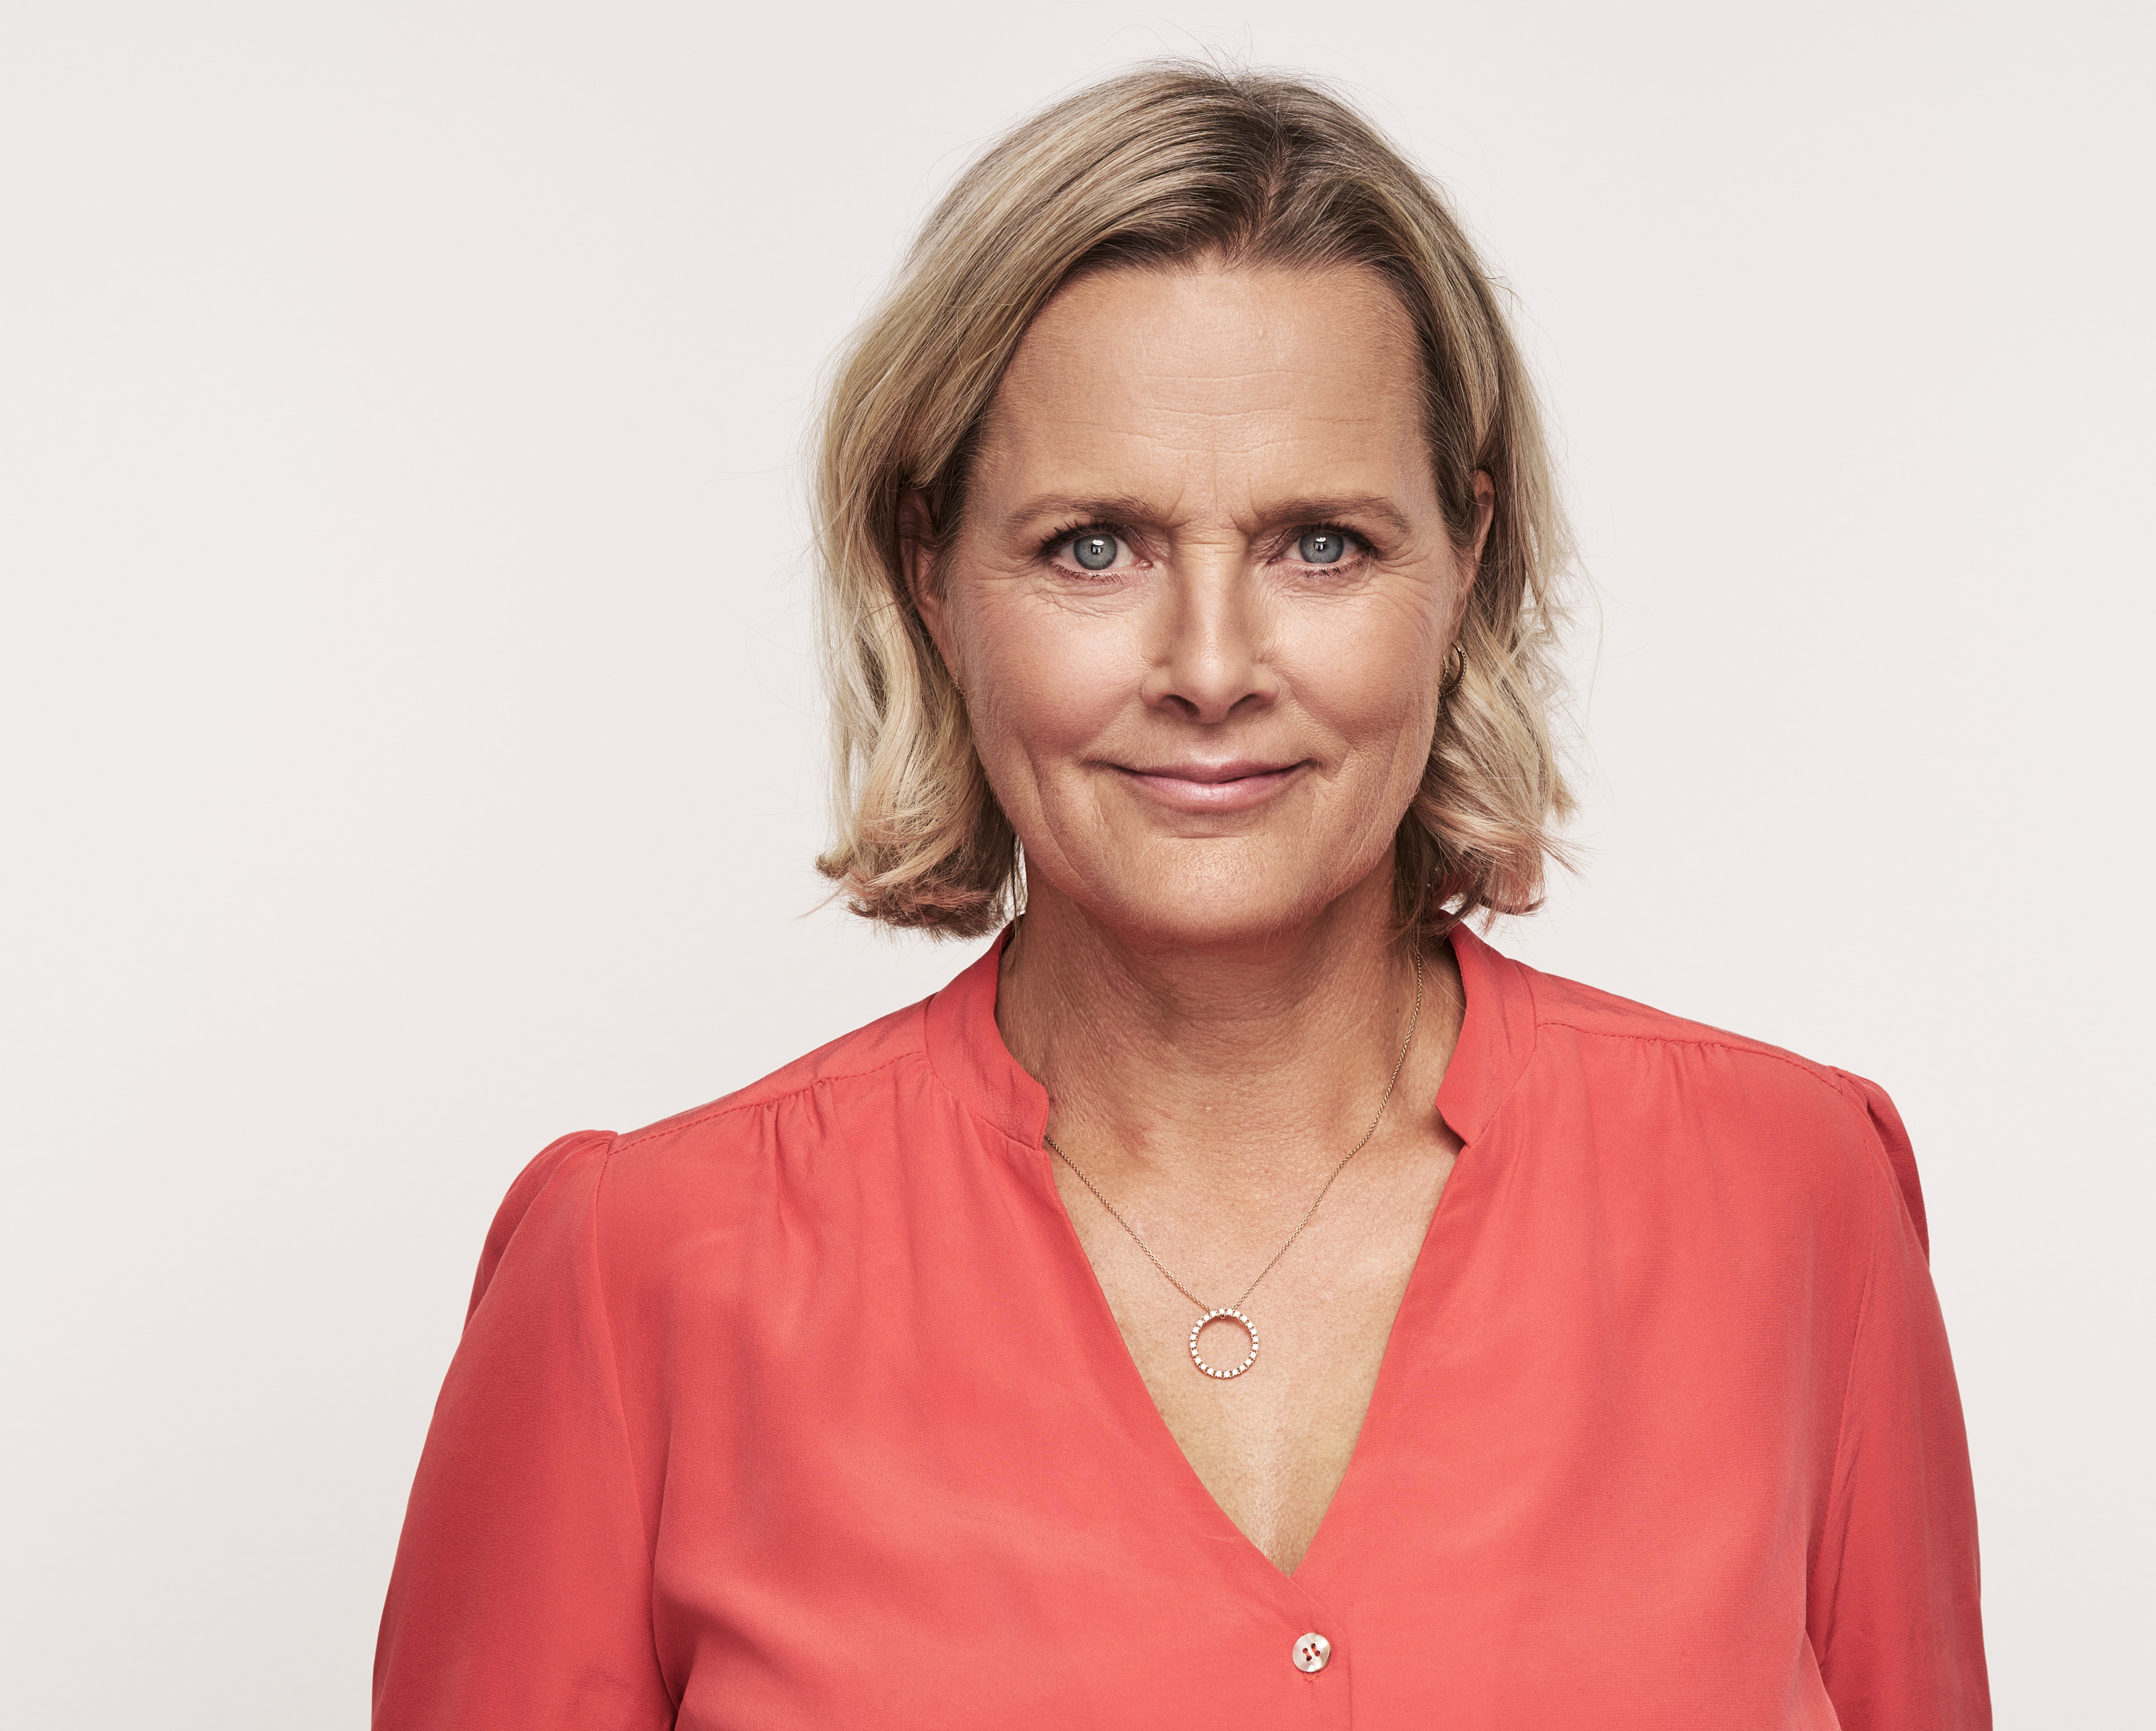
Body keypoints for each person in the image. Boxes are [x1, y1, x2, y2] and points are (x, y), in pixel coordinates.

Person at [374, 62, 1987, 1729]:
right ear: (931, 574)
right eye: (1094, 546)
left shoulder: (1792, 1205)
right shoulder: (640, 1279)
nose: (1212, 668)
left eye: (1322, 544)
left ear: (1463, 560)